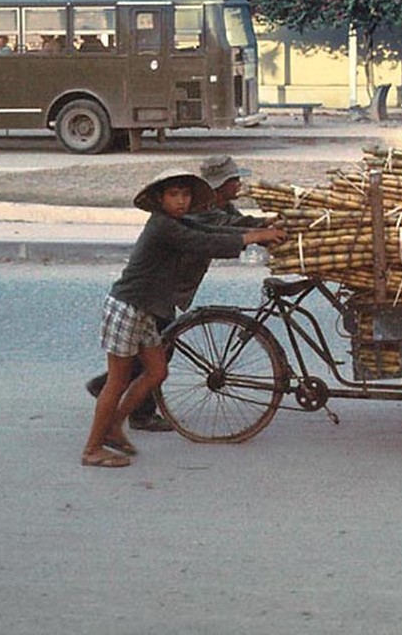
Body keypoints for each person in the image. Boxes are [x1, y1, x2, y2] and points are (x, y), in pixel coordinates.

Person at [82, 168, 286, 468]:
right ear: (159, 198)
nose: (181, 201)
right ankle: (92, 449)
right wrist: (257, 236)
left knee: (156, 372)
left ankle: (115, 425)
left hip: (147, 311)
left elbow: (212, 232)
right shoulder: (163, 227)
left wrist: (259, 233)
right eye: (173, 194)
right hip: (128, 307)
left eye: (185, 194)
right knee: (117, 380)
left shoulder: (179, 222)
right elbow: (205, 244)